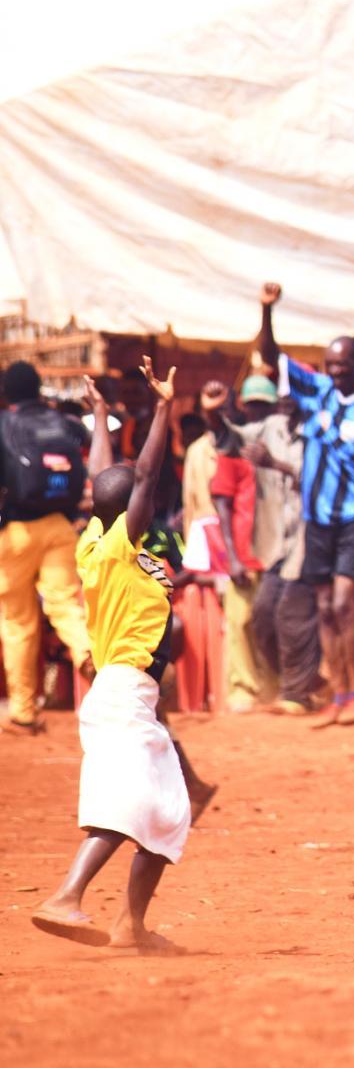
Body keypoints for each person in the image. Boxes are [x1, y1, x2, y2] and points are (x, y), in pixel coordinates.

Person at [30, 359, 187, 952]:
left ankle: (130, 926)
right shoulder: (121, 544)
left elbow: (108, 477)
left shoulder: (95, 539)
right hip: (123, 693)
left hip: (127, 695)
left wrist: (99, 413)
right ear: (132, 512)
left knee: (167, 813)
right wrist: (164, 408)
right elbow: (140, 475)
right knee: (130, 807)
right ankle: (66, 897)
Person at [255, 282, 354, 727]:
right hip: (317, 517)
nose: (336, 372)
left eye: (343, 366)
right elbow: (270, 356)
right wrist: (266, 311)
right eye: (331, 366)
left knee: (345, 603)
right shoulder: (317, 391)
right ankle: (339, 695)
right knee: (324, 607)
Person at [0, 360, 93, 734]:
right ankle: (88, 654)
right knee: (65, 605)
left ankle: (24, 712)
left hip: (16, 533)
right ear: (38, 389)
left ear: (6, 392)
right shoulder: (62, 423)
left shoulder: (5, 423)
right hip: (59, 527)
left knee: (18, 621)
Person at [243, 391, 323, 716]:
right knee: (262, 614)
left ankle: (297, 693)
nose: (288, 400)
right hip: (280, 544)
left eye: (296, 394)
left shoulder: (321, 431)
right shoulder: (272, 427)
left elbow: (322, 480)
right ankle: (304, 681)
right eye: (284, 394)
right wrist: (215, 411)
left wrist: (274, 464)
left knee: (292, 614)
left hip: (313, 541)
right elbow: (230, 435)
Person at [200, 381, 276, 714]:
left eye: (265, 406)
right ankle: (243, 688)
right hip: (245, 552)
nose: (259, 411)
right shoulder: (235, 451)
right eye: (253, 405)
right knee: (240, 621)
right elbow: (222, 506)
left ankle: (274, 686)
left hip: (280, 553)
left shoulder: (284, 449)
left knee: (273, 623)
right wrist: (231, 556)